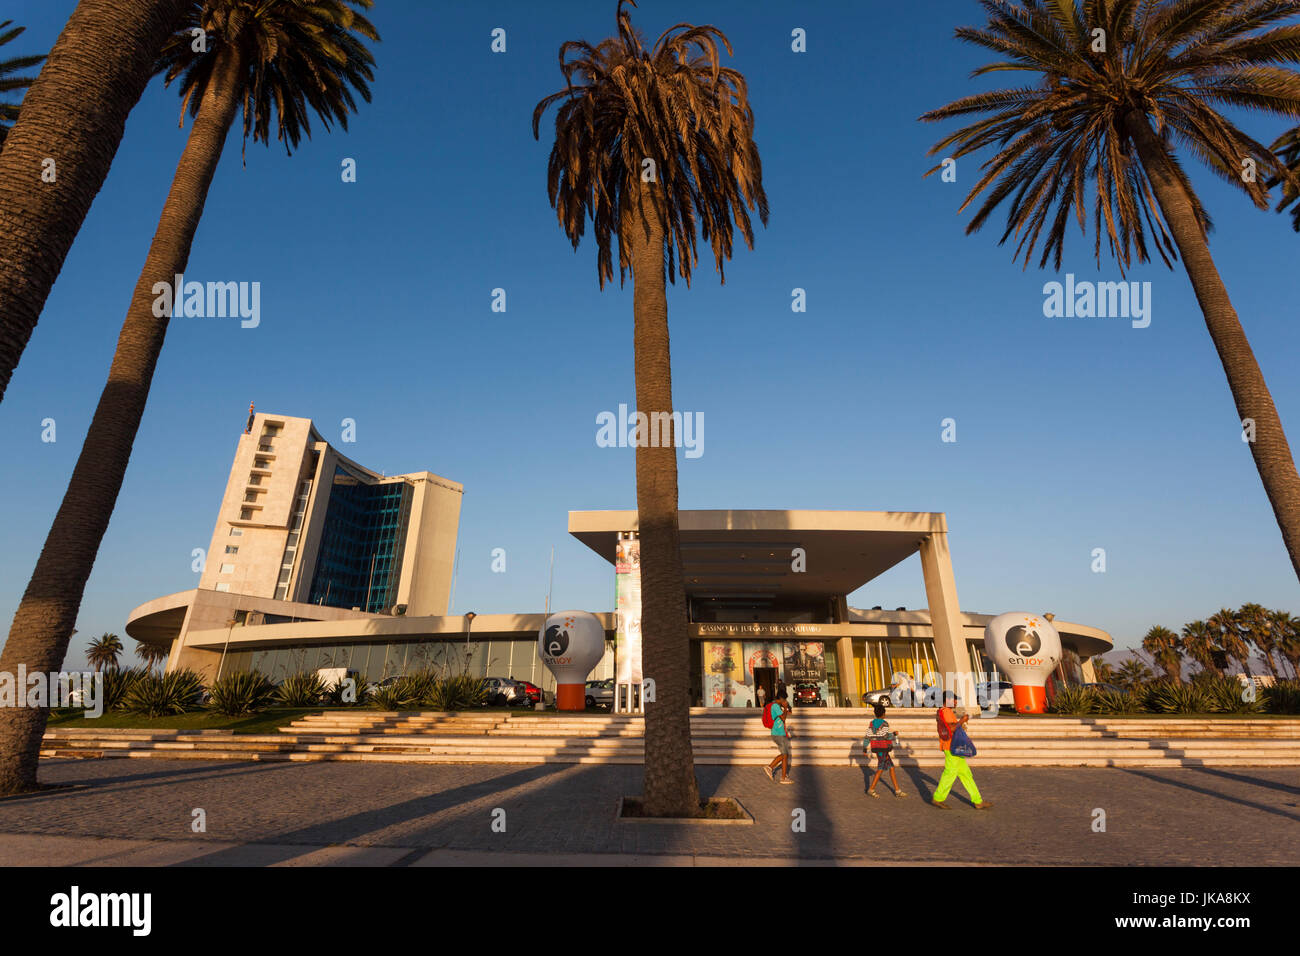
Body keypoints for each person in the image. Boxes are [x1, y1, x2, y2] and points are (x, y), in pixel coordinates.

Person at [932, 690, 991, 810]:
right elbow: (952, 728)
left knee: (966, 774)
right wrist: (962, 721)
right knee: (950, 773)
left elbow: (952, 726)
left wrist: (961, 724)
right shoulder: (946, 711)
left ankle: (977, 801)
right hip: (951, 746)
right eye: (954, 699)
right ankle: (938, 798)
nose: (955, 702)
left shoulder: (943, 711)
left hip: (953, 746)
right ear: (947, 700)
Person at [865, 701, 906, 798]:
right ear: (883, 714)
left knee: (891, 767)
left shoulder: (871, 723)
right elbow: (886, 736)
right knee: (880, 768)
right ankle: (871, 789)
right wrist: (894, 734)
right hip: (882, 748)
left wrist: (864, 747)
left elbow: (869, 735)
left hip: (877, 747)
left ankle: (897, 790)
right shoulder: (884, 723)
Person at [764, 689, 794, 784]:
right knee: (784, 754)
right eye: (784, 699)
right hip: (778, 733)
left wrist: (786, 708)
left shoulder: (777, 706)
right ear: (781, 698)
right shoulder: (775, 706)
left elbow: (788, 714)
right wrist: (785, 708)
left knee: (785, 756)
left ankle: (784, 777)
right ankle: (770, 767)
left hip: (781, 733)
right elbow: (783, 717)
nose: (785, 701)